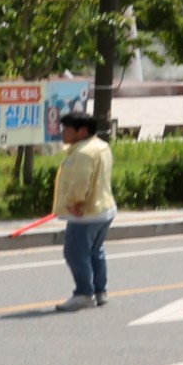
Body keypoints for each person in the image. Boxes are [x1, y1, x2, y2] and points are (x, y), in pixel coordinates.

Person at [49, 107, 116, 312]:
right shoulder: (101, 146)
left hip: (85, 213)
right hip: (104, 209)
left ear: (82, 131)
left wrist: (76, 202)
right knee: (95, 251)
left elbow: (80, 182)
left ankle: (84, 294)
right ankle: (99, 291)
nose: (63, 132)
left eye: (67, 129)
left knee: (75, 253)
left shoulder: (84, 153)